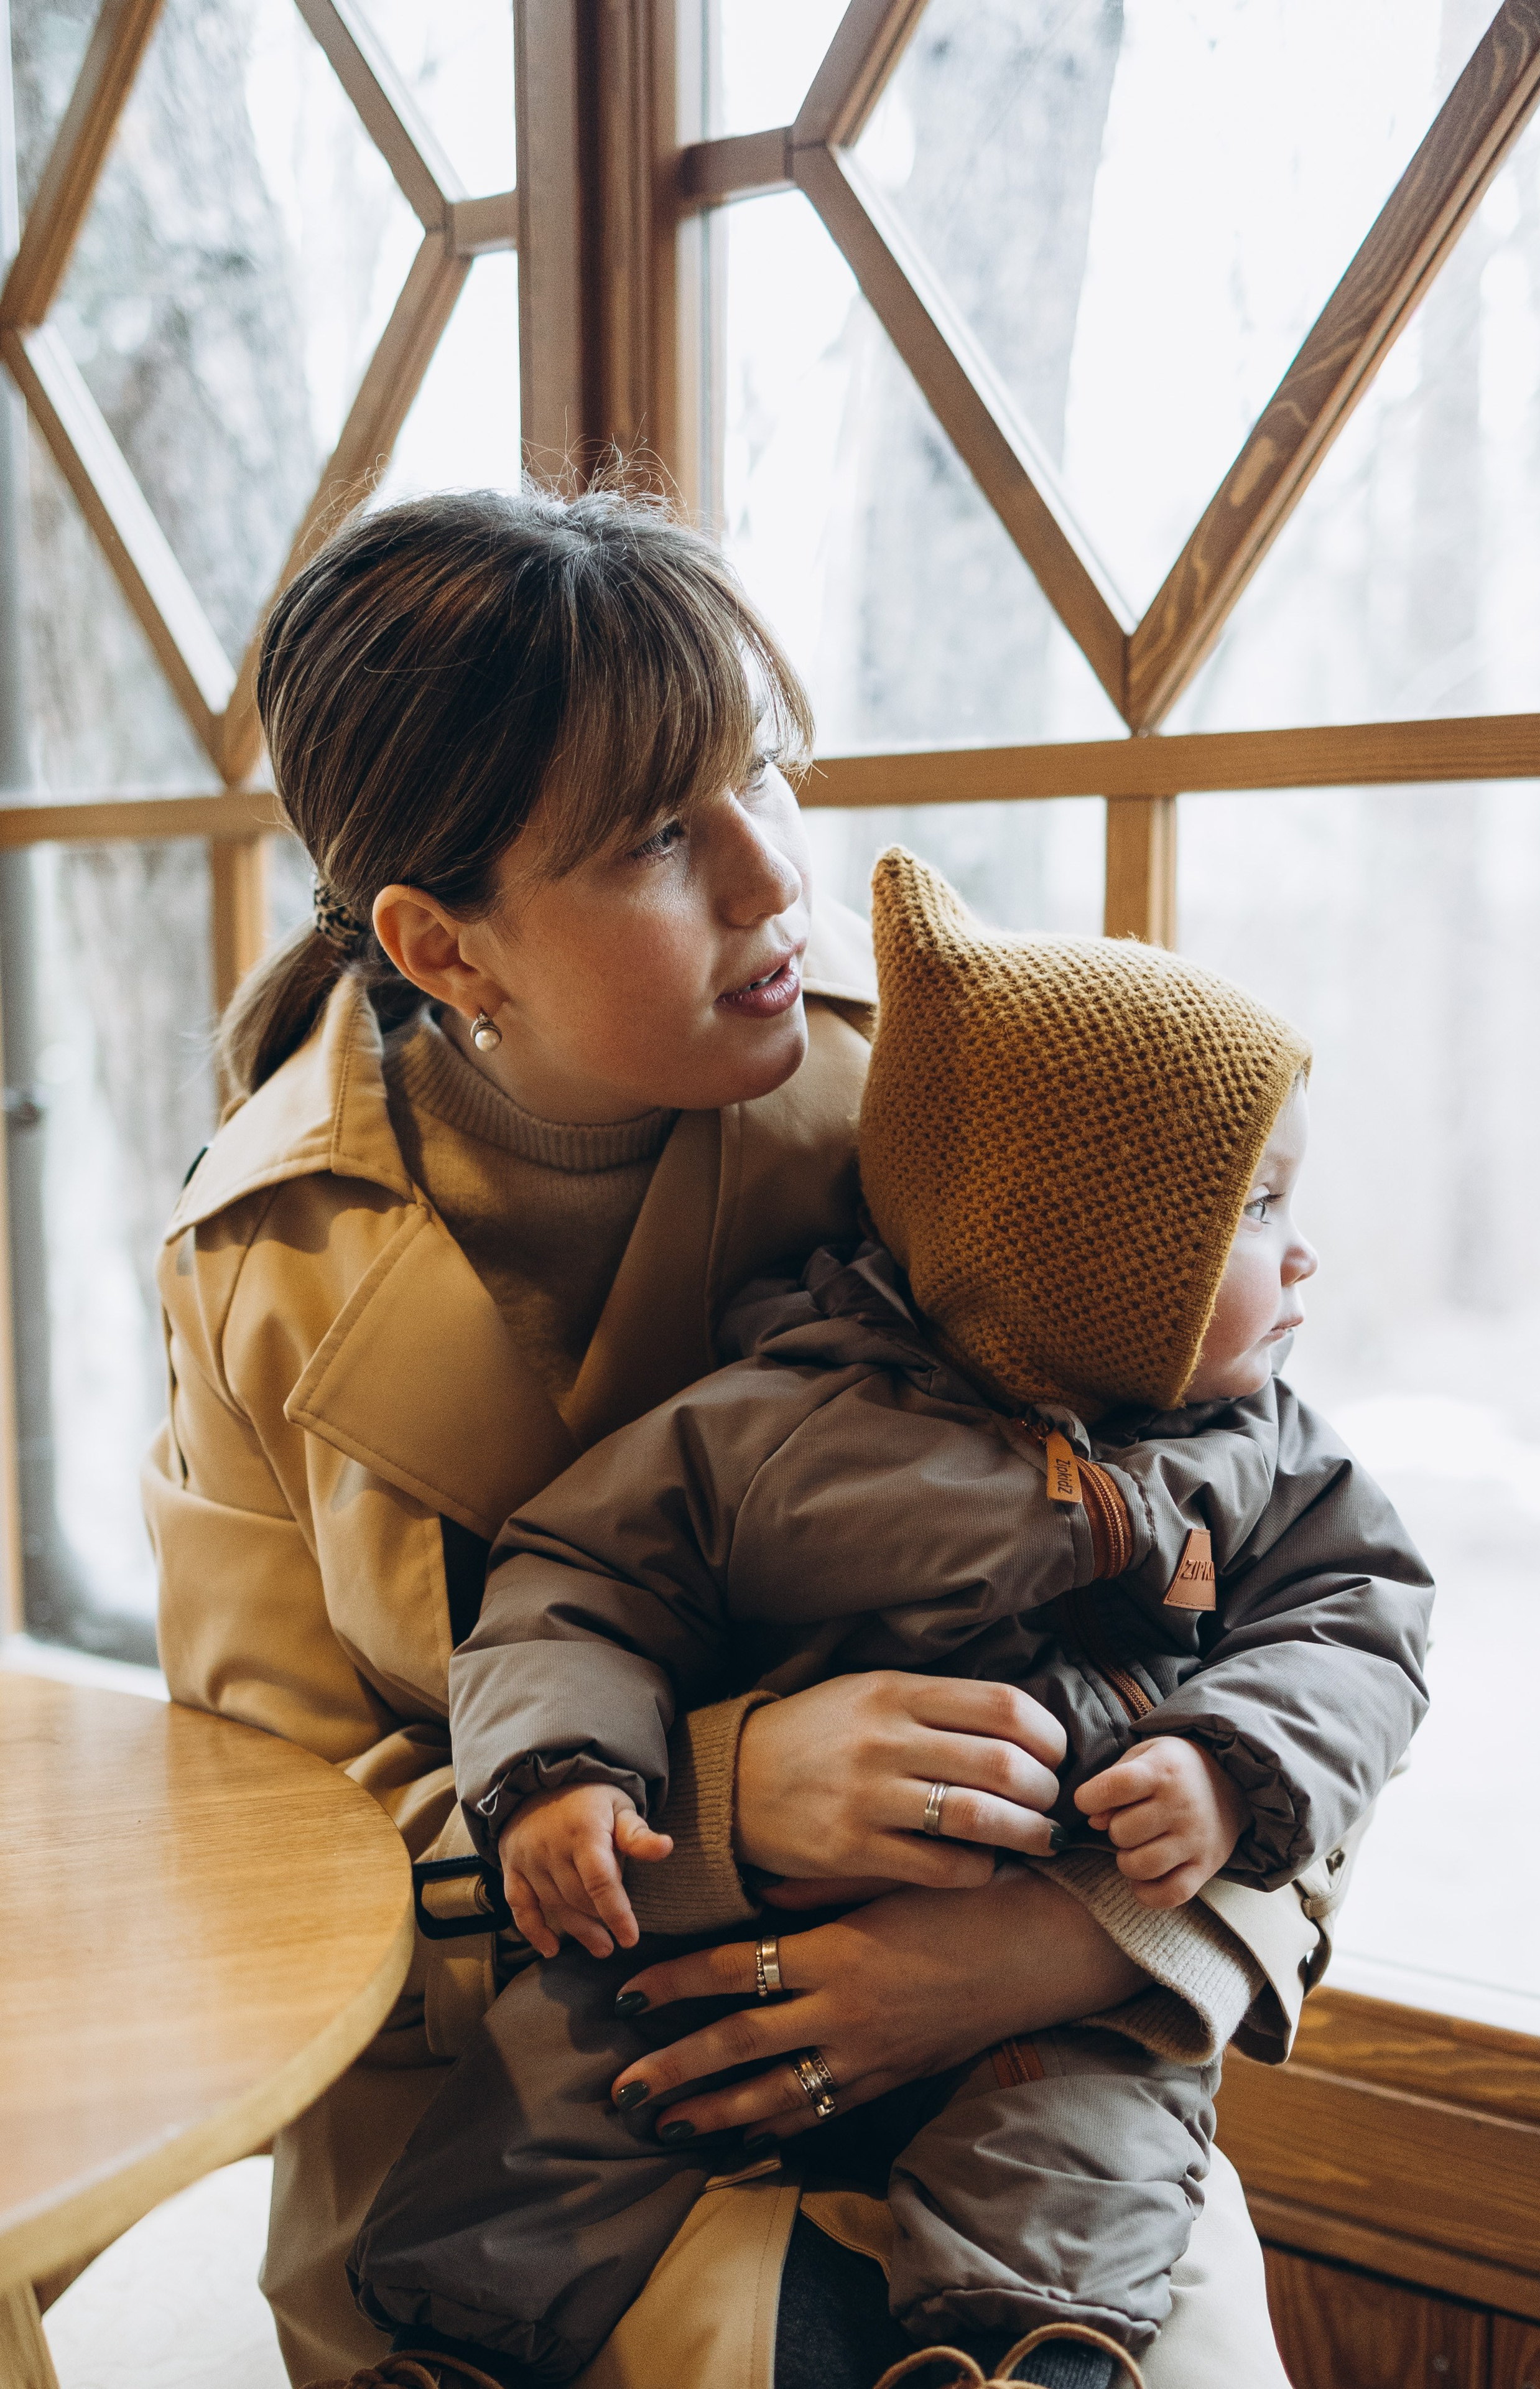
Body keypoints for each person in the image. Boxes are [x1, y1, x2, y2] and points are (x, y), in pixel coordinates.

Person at [146, 482, 1349, 2389]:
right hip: (515, 2151)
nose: (774, 876)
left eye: (764, 775)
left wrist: (1044, 1944)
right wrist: (715, 1814)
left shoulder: (953, 1107)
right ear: (442, 947)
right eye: (652, 838)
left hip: (1033, 2064)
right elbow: (266, 1853)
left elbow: (1306, 1595)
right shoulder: (259, 1259)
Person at [341, 850, 1432, 2389]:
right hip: (730, 1932)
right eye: (1255, 1214)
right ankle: (451, 2352)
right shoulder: (775, 1422)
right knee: (551, 2094)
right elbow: (573, 1583)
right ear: (1090, 1269)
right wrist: (565, 1774)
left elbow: (1357, 1624)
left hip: (1070, 1954)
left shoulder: (1259, 1455)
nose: (1304, 1254)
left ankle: (1027, 2357)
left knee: (1082, 2139)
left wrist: (1230, 1765)